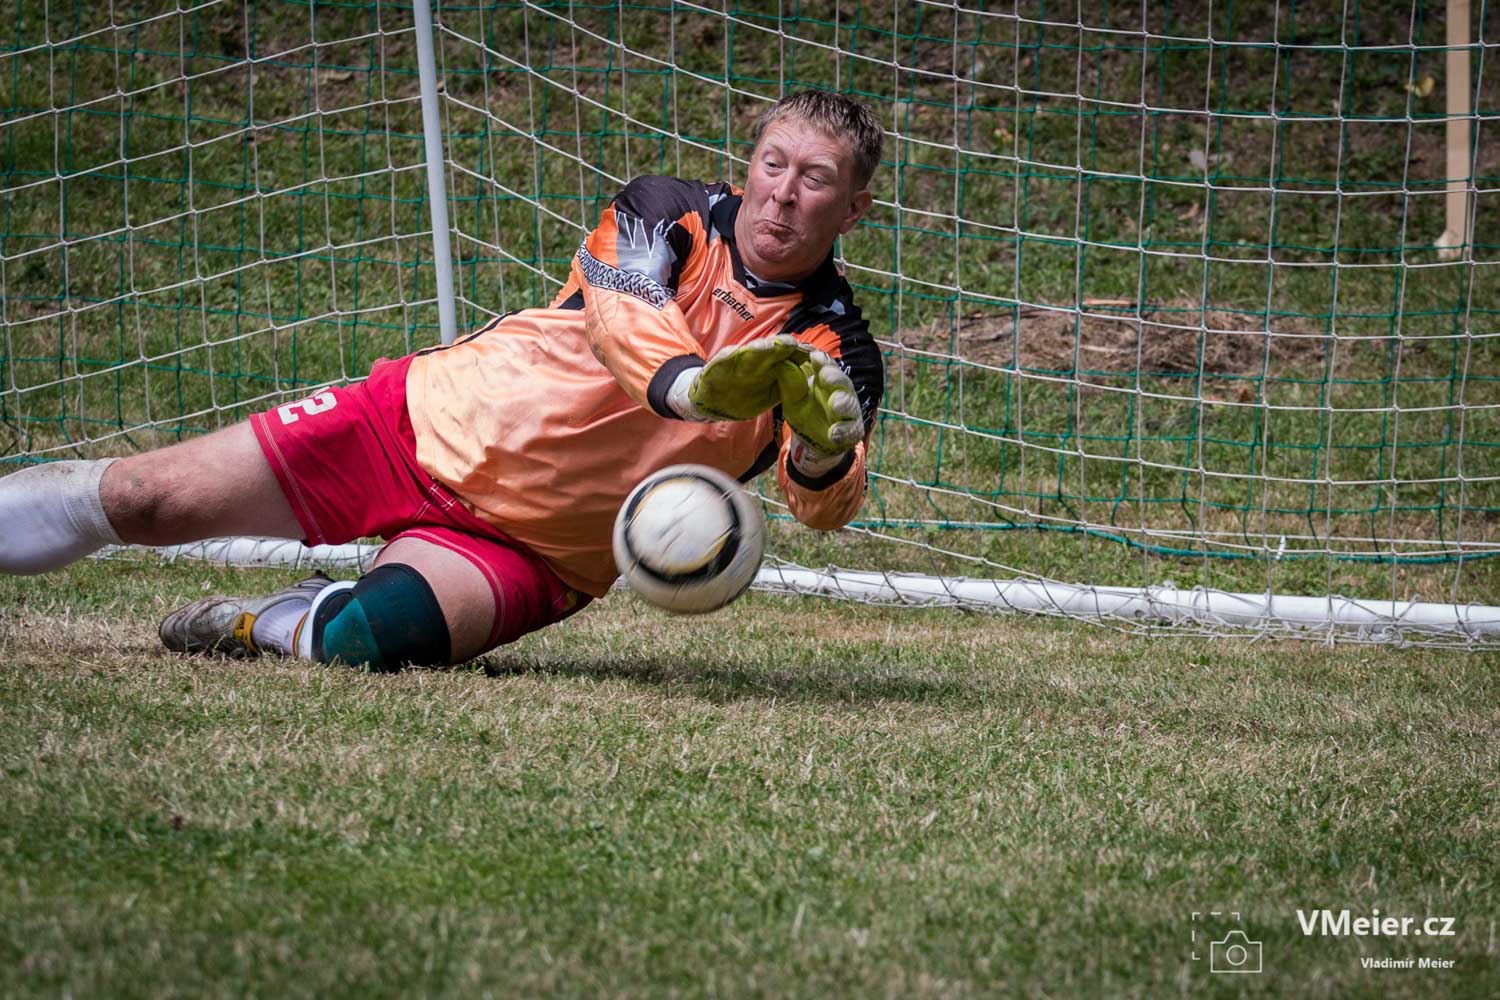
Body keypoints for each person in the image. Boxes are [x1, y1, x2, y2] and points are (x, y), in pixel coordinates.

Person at [0, 89, 885, 670]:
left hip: (537, 552)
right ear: (749, 165)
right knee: (147, 499)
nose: (783, 193)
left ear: (852, 209)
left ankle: (265, 619)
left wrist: (821, 454)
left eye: (814, 180)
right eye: (773, 164)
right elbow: (624, 316)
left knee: (364, 641)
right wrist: (693, 390)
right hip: (416, 427)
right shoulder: (668, 211)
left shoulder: (834, 344)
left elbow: (823, 504)